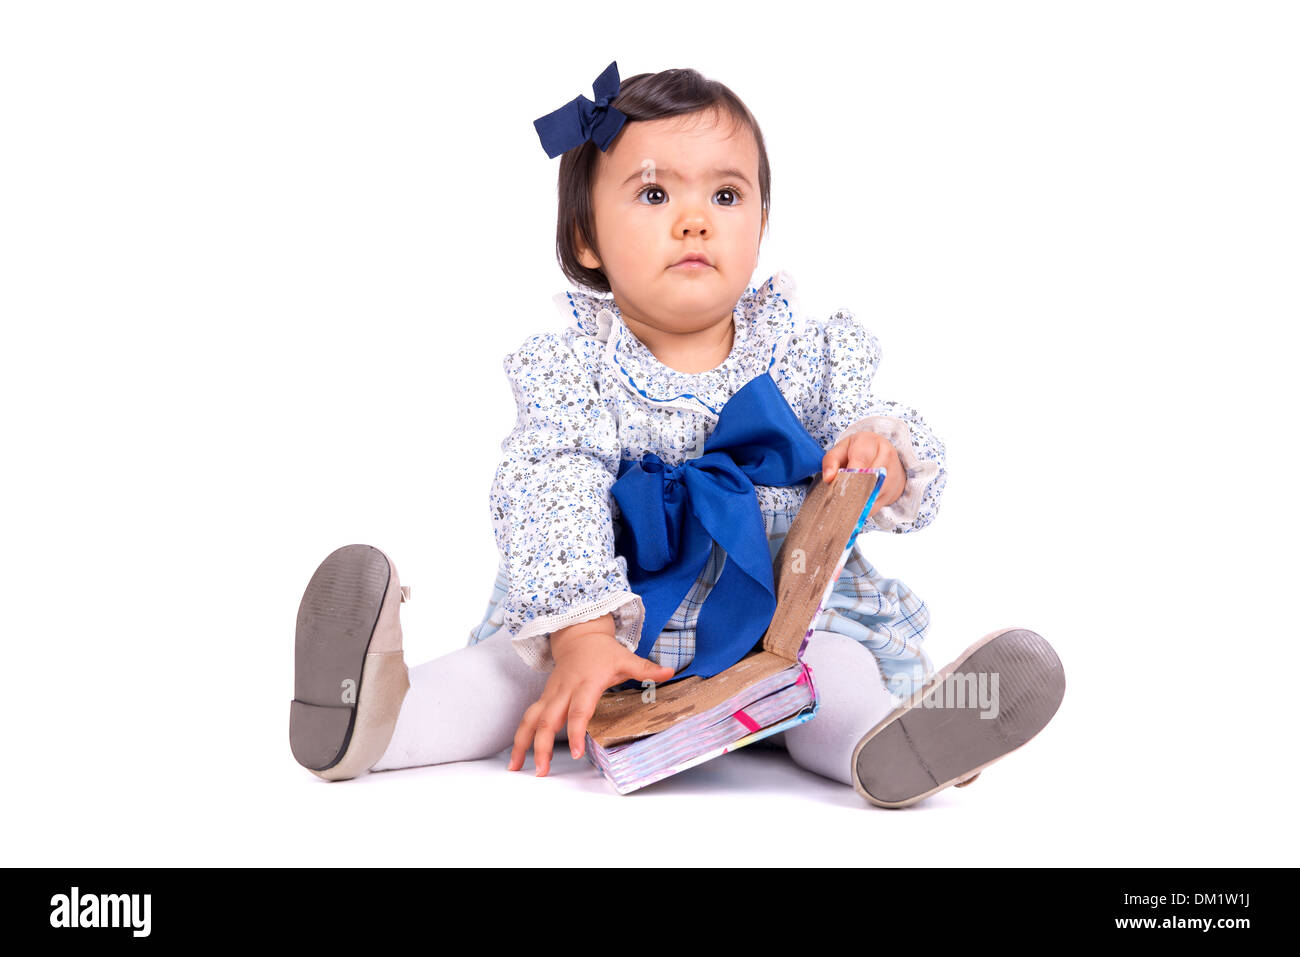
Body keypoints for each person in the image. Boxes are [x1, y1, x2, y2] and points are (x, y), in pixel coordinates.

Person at [288, 62, 1065, 806]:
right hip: (612, 625)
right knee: (504, 679)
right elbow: (548, 482)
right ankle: (374, 718)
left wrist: (881, 455)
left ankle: (892, 744)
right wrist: (584, 634)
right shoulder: (575, 367)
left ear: (762, 223)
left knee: (833, 674)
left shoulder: (802, 352)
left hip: (776, 630)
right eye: (655, 192)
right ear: (587, 239)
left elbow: (879, 424)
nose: (695, 218)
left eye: (727, 195)